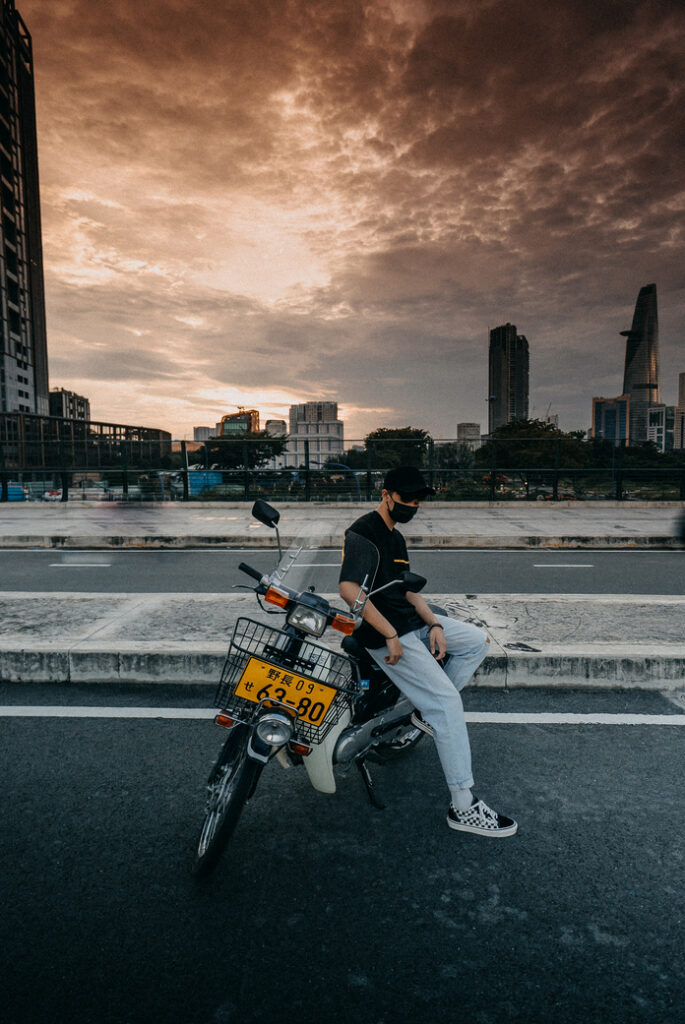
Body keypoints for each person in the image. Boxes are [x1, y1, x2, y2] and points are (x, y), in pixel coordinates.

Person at [339, 465, 517, 837]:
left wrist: (434, 624)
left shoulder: (397, 538)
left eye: (418, 500)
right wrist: (388, 633)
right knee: (449, 704)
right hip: (385, 634)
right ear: (386, 494)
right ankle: (463, 805)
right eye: (406, 498)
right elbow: (349, 590)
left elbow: (407, 590)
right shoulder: (363, 532)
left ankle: (423, 711)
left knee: (476, 642)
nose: (413, 505)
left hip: (412, 623)